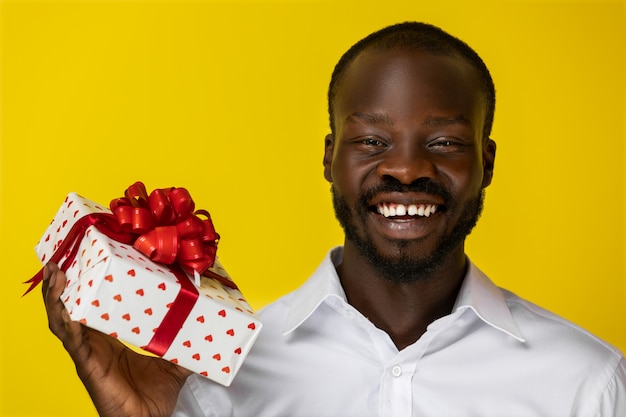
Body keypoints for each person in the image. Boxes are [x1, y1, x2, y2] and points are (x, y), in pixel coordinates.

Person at [41, 22, 626, 417]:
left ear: (486, 162)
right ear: (329, 159)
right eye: (372, 140)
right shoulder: (221, 381)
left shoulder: (587, 384)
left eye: (444, 141)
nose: (404, 169)